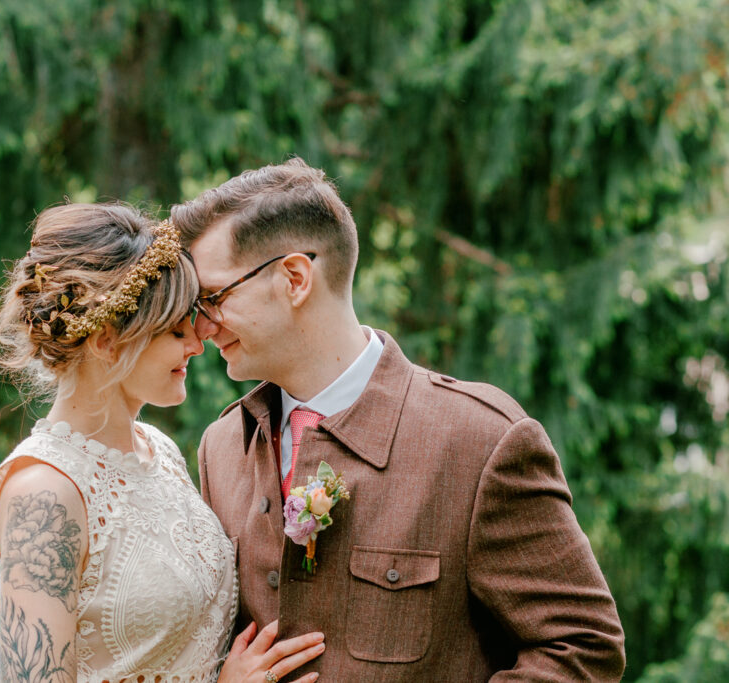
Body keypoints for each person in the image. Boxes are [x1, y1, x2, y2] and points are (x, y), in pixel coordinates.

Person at [171, 158, 627, 681]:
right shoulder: (222, 445)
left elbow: (582, 645)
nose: (199, 326)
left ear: (294, 279)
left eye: (212, 297)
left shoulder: (482, 441)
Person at [0, 203, 325, 682]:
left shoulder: (161, 452)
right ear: (106, 339)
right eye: (175, 329)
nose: (197, 342)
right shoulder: (43, 490)